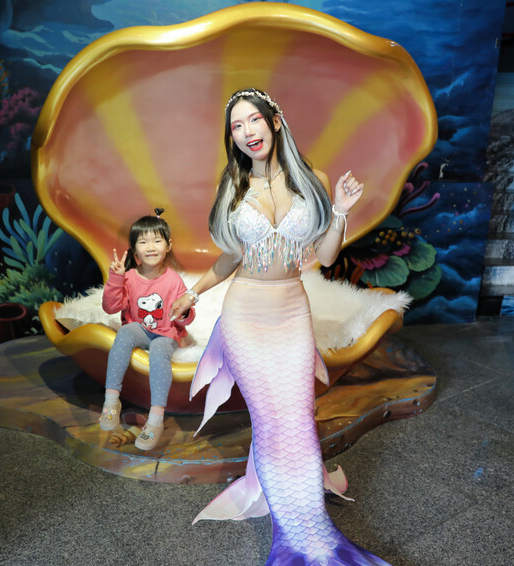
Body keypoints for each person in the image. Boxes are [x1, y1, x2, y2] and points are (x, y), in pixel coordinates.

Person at [170, 88, 388, 565]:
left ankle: (314, 532)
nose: (247, 133)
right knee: (272, 422)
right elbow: (231, 256)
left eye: (254, 121)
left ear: (274, 120)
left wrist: (343, 209)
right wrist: (193, 291)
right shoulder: (233, 184)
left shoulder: (314, 180)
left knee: (298, 422)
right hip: (246, 313)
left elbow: (327, 257)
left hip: (292, 311)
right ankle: (297, 539)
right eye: (236, 127)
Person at [99, 210, 195, 450]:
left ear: (168, 245)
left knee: (160, 349)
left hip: (166, 333)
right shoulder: (129, 278)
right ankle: (112, 401)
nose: (150, 247)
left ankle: (155, 419)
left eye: (157, 240)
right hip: (140, 329)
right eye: (143, 242)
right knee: (126, 331)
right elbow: (111, 307)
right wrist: (115, 278)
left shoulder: (174, 280)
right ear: (134, 250)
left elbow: (186, 317)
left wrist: (183, 312)